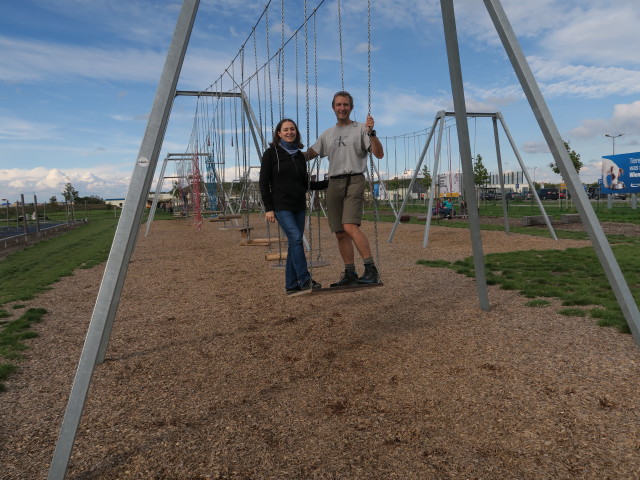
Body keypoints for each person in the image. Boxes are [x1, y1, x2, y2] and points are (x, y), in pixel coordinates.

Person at [306, 91, 384, 287]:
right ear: (333, 107)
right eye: (339, 105)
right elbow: (310, 154)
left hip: (354, 179)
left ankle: (371, 270)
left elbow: (379, 154)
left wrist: (372, 133)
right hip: (333, 182)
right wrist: (285, 153)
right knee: (340, 232)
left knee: (350, 226)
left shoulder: (361, 129)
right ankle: (350, 272)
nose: (342, 108)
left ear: (351, 107)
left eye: (346, 105)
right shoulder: (327, 134)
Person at [259, 118, 327, 295]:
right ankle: (305, 280)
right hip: (281, 206)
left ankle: (291, 284)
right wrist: (268, 208)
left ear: (296, 132)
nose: (290, 132)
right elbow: (263, 182)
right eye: (286, 130)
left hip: (298, 205)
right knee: (296, 239)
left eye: (292, 129)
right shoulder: (271, 154)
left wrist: (327, 183)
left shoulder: (299, 156)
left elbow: (305, 184)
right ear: (279, 133)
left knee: (293, 244)